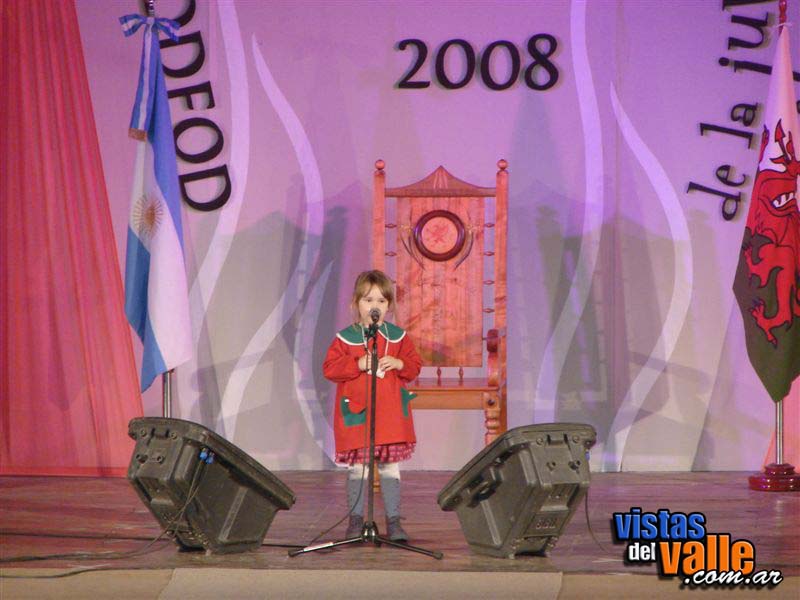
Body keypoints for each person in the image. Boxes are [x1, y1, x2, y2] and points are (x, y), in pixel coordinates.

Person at [323, 270, 422, 542]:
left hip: (389, 416)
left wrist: (401, 364)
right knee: (358, 469)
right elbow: (329, 369)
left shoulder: (398, 337)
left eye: (380, 301)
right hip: (357, 414)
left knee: (390, 468)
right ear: (355, 304)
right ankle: (355, 520)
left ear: (389, 305)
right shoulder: (345, 338)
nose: (374, 306)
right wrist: (356, 364)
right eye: (368, 300)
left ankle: (394, 521)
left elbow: (414, 365)